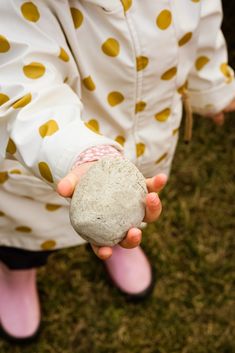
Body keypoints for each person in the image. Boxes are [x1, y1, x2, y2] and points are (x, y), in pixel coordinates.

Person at [0, 0, 235, 342]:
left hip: (144, 140)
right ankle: (16, 275)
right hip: (51, 162)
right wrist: (80, 152)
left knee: (133, 211)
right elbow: (22, 86)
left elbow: (202, 30)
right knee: (26, 241)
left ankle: (120, 238)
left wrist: (212, 88)